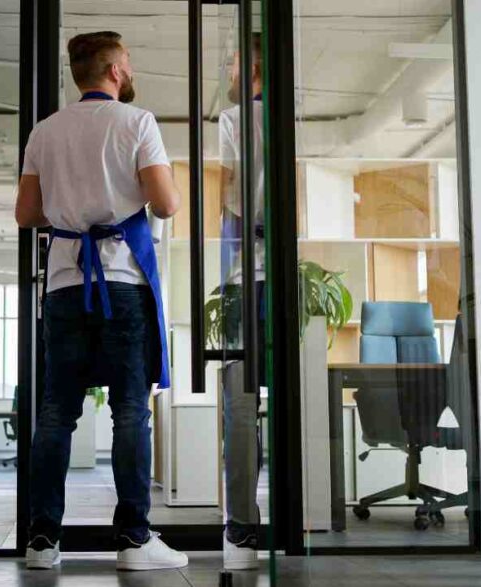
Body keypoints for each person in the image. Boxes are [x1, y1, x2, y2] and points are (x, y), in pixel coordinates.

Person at [15, 30, 187, 572]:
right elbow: (165, 205)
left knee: (56, 414)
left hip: (66, 283)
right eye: (128, 62)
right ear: (114, 71)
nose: (130, 71)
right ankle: (134, 541)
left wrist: (73, 210)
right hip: (122, 283)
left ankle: (42, 541)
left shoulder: (45, 131)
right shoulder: (138, 123)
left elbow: (26, 214)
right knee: (131, 411)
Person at [217, 32, 265, 571]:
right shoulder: (285, 120)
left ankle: (243, 522)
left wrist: (224, 261)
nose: (228, 72)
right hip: (281, 275)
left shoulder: (233, 121)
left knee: (240, 403)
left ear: (252, 70)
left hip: (244, 275)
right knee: (280, 398)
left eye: (232, 64)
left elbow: (228, 193)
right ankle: (301, 515)